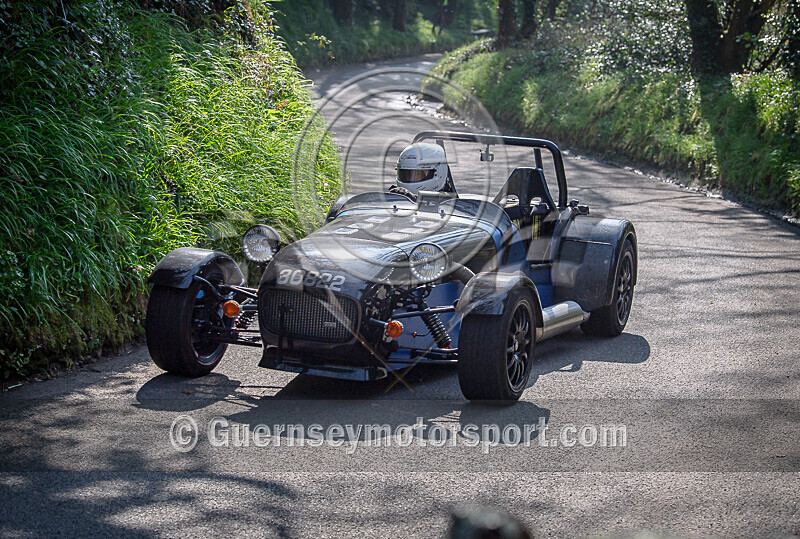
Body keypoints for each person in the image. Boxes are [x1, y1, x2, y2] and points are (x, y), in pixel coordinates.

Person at [390, 142, 457, 200]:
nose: (410, 178)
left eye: (418, 174)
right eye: (406, 174)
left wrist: (414, 200)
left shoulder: (448, 203)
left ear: (437, 173)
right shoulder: (395, 195)